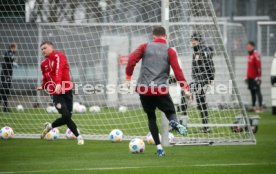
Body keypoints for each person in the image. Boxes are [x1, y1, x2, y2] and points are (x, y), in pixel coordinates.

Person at [125, 26, 192, 157]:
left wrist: (128, 78)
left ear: (153, 36)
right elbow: (178, 72)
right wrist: (186, 89)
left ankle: (160, 148)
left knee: (151, 117)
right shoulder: (170, 51)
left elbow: (131, 60)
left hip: (144, 89)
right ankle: (173, 122)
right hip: (160, 90)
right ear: (166, 37)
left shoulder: (145, 46)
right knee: (171, 112)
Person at [37, 41, 84, 145]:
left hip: (66, 90)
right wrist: (43, 86)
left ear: (51, 47)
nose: (43, 51)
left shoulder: (59, 56)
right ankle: (79, 137)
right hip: (55, 93)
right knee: (66, 115)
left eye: (45, 48)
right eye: (41, 49)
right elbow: (46, 77)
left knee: (67, 117)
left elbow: (59, 70)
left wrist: (58, 83)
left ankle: (50, 126)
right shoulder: (43, 64)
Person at [180, 33, 215, 133]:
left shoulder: (203, 51)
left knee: (185, 92)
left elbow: (210, 63)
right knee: (201, 103)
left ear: (199, 41)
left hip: (202, 80)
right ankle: (205, 127)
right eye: (192, 40)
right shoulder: (196, 52)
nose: (193, 42)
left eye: (195, 40)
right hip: (197, 80)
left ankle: (183, 123)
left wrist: (211, 78)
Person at [245, 41, 263, 113]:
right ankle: (253, 106)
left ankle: (260, 107)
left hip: (255, 77)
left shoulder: (256, 55)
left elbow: (259, 67)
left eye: (249, 46)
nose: (247, 48)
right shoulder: (250, 55)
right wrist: (247, 76)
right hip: (250, 77)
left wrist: (258, 77)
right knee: (252, 92)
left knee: (257, 91)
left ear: (252, 47)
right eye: (247, 46)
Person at [0, 43, 17, 112]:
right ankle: (5, 108)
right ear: (12, 47)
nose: (16, 49)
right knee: (4, 90)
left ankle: (5, 107)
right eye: (16, 48)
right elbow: (7, 57)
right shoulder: (9, 53)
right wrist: (13, 61)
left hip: (7, 75)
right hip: (6, 75)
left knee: (5, 91)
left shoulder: (11, 54)